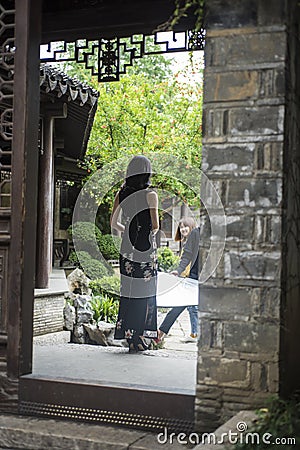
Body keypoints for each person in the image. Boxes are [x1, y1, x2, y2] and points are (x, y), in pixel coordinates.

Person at [110, 155, 159, 352]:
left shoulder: (121, 193)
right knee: (145, 293)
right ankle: (139, 338)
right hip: (145, 250)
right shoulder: (150, 195)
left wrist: (129, 229)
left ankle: (128, 335)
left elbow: (114, 224)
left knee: (129, 291)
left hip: (127, 249)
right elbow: (155, 226)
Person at [157, 219, 200, 343]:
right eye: (181, 227)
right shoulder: (195, 234)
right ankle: (193, 333)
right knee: (183, 305)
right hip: (192, 278)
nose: (183, 229)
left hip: (200, 278)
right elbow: (186, 257)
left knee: (190, 307)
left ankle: (193, 333)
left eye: (186, 226)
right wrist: (179, 271)